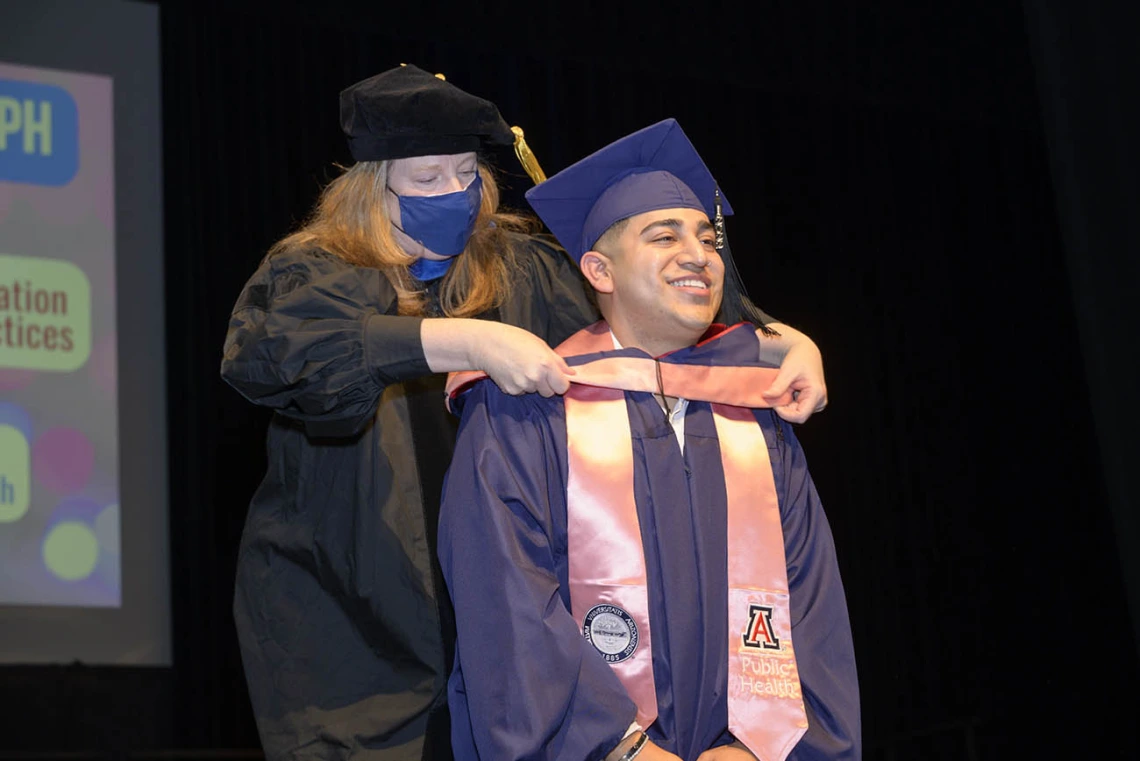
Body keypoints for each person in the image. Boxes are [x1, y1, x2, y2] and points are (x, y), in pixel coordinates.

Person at [221, 63, 829, 761]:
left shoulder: (518, 269)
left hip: (502, 630)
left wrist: (785, 340)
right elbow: (268, 356)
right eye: (425, 180)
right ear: (370, 188)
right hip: (352, 644)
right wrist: (462, 339)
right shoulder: (314, 271)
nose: (451, 193)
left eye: (463, 174)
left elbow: (643, 319)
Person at [439, 119, 859, 761]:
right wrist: (615, 748)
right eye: (664, 236)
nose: (699, 254)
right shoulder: (525, 411)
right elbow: (507, 607)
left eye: (707, 237)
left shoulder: (756, 414)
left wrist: (758, 749)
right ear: (598, 270)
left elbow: (809, 600)